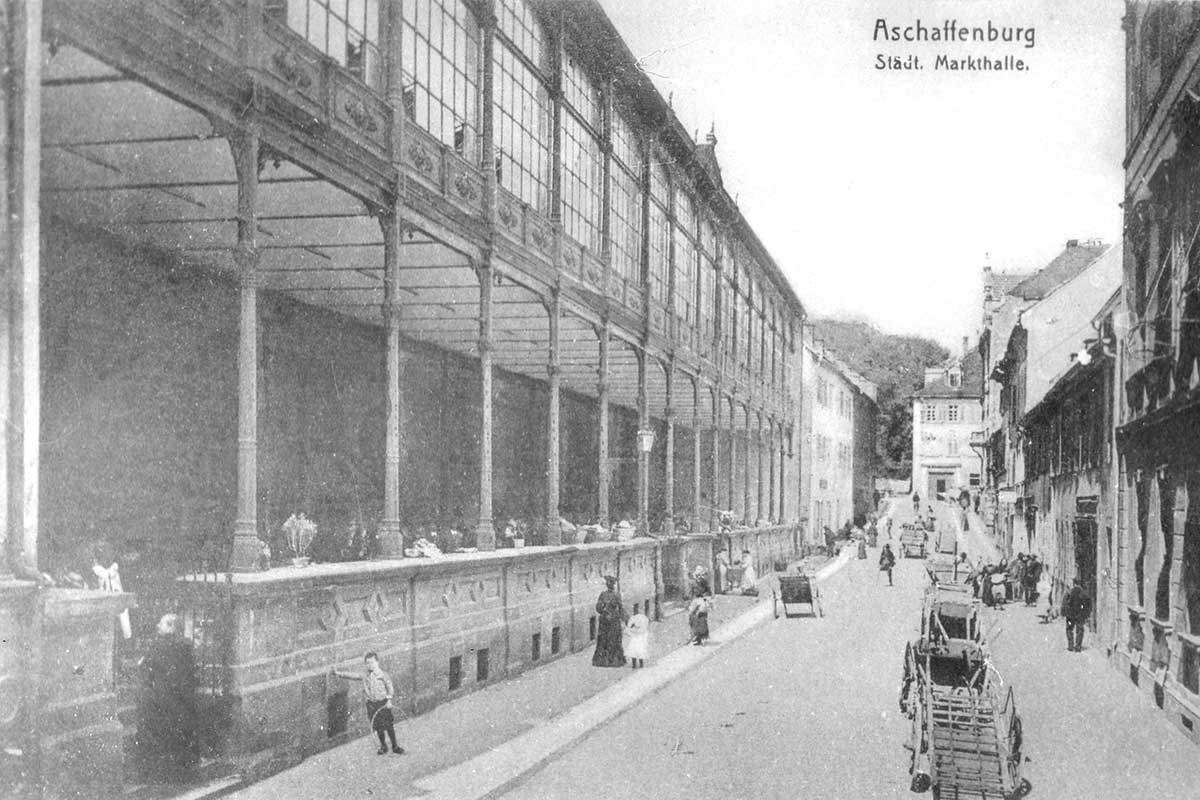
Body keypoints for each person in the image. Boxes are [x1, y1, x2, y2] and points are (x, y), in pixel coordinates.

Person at [136, 614, 198, 780]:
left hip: (163, 696)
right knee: (181, 730)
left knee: (162, 730)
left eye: (162, 623)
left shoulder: (158, 646)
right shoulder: (186, 645)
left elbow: (143, 665)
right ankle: (184, 766)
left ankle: (163, 769)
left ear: (171, 627)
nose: (158, 625)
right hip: (183, 696)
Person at [336, 652, 404, 755]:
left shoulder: (383, 674)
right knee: (378, 727)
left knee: (389, 725)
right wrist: (338, 673)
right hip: (371, 705)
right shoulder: (365, 675)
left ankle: (395, 746)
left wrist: (389, 700)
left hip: (383, 703)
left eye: (372, 662)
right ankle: (383, 746)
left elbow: (390, 688)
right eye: (367, 663)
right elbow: (352, 676)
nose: (370, 665)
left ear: (377, 662)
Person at [592, 576, 628, 667]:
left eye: (611, 583)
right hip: (607, 620)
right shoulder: (604, 594)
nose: (610, 585)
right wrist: (603, 610)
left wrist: (626, 618)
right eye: (609, 584)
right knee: (605, 639)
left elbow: (620, 607)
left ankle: (611, 660)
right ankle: (607, 660)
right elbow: (598, 607)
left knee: (612, 639)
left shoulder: (615, 595)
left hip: (612, 620)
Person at [1062, 578, 1091, 651]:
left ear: (1074, 583)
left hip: (1070, 615)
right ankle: (1078, 646)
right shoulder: (1084, 593)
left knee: (1069, 629)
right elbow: (1088, 604)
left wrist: (1064, 613)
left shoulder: (1069, 592)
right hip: (1080, 615)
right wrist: (1086, 614)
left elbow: (1064, 603)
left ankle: (1071, 645)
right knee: (1080, 630)